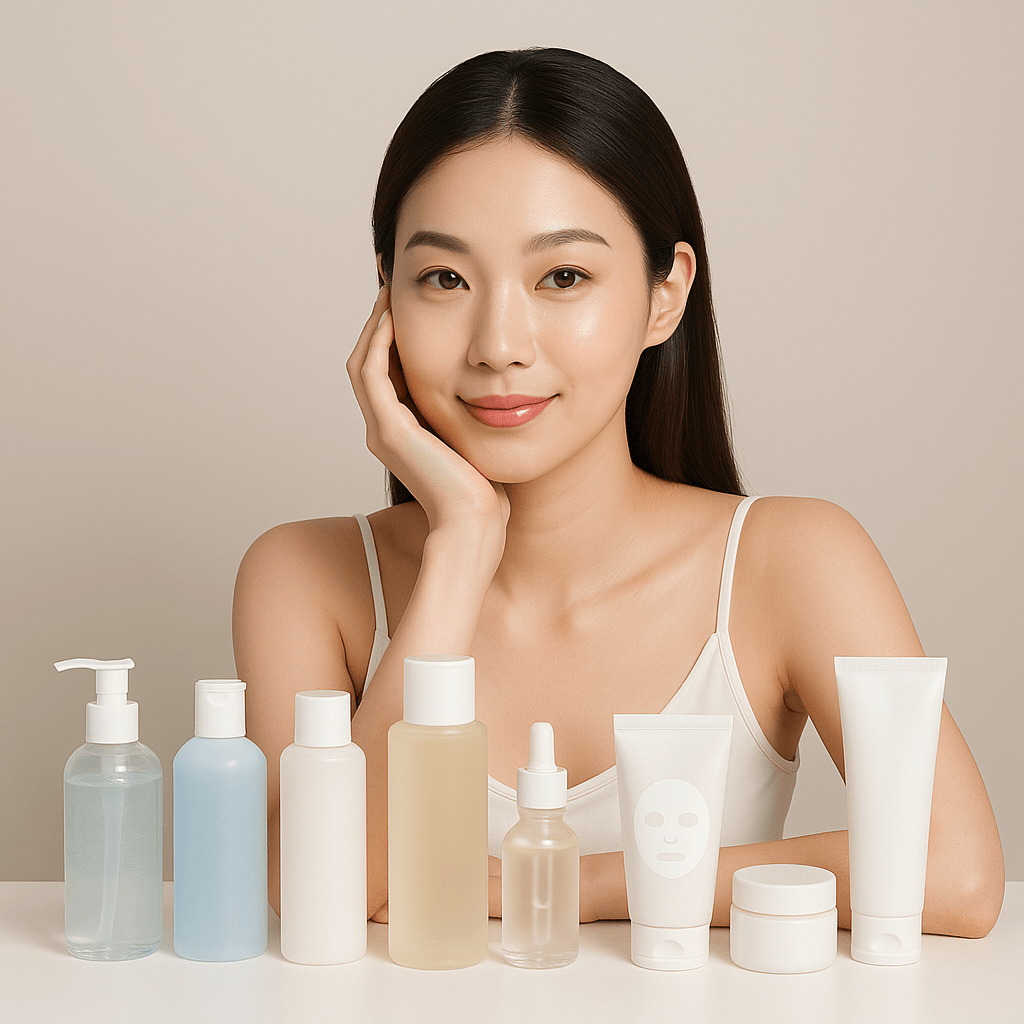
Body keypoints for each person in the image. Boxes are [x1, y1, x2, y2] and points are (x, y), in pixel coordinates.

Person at [232, 47, 1004, 934]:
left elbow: (956, 875)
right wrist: (459, 549)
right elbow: (306, 891)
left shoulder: (792, 560)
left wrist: (561, 886)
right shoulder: (301, 575)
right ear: (387, 301)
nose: (498, 344)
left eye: (563, 276)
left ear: (664, 296)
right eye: (444, 278)